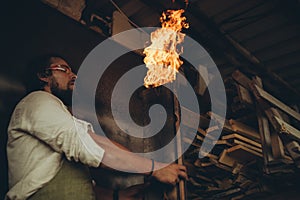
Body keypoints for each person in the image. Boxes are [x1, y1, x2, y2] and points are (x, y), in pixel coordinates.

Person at [6, 54, 188, 200]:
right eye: (64, 69)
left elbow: (90, 153)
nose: (73, 75)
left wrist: (117, 196)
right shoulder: (37, 101)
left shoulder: (60, 115)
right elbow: (87, 145)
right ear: (43, 76)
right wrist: (153, 167)